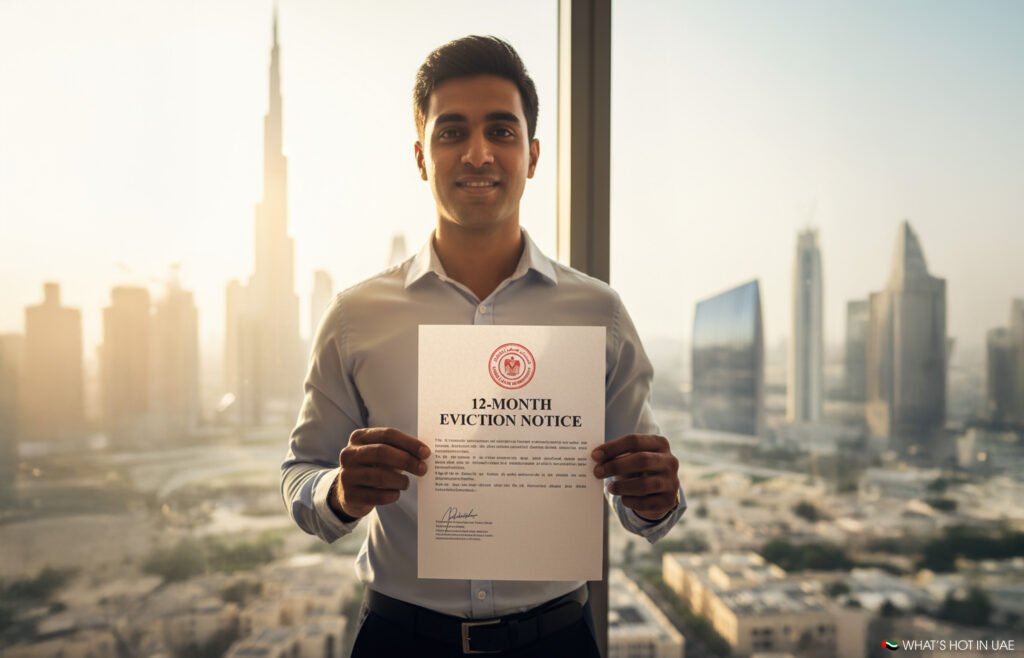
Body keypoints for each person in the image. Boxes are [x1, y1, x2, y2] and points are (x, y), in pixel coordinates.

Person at [281, 35, 686, 657]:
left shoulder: (598, 312)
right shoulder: (356, 316)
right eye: (451, 133)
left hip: (557, 642)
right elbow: (300, 476)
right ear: (421, 156)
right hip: (400, 640)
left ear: (533, 154)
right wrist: (338, 490)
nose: (477, 153)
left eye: (501, 131)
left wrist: (658, 498)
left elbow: (643, 504)